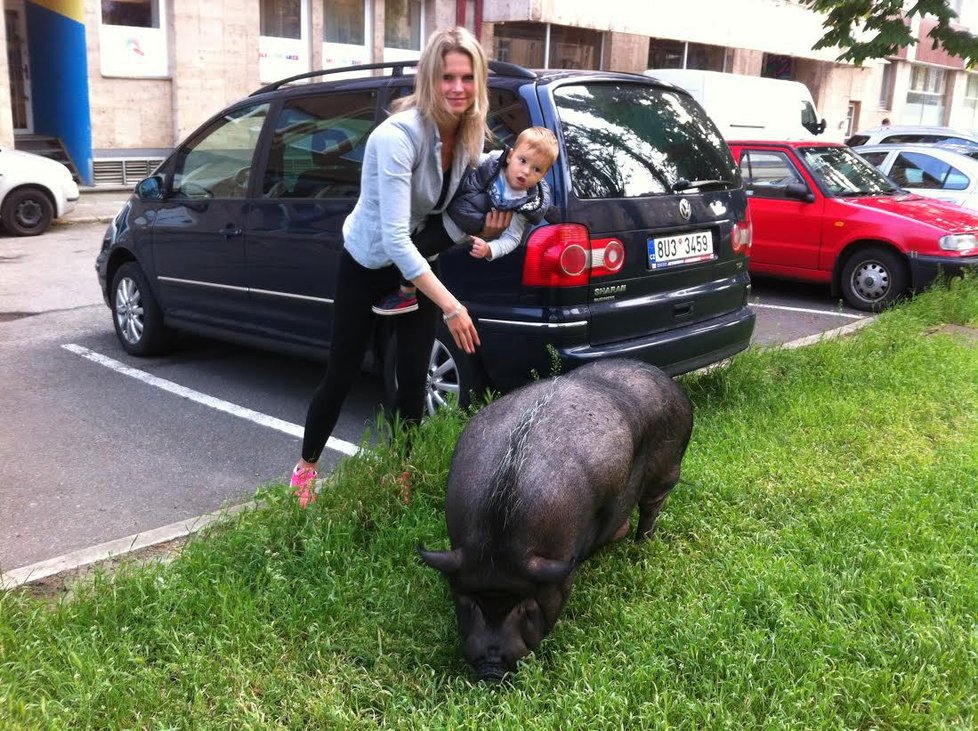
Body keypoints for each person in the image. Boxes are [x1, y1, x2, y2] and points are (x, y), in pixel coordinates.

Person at [289, 27, 511, 507]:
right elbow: (392, 238)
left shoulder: (470, 138)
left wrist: (490, 234)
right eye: (447, 76)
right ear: (429, 78)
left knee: (412, 376)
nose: (457, 88)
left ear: (479, 83)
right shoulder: (396, 137)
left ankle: (402, 473)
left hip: (416, 261)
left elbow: (449, 213)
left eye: (467, 77)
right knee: (342, 373)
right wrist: (452, 306)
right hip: (369, 263)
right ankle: (305, 471)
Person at [372, 126, 560, 315]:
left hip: (453, 228)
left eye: (536, 169)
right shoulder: (494, 161)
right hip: (446, 204)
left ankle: (407, 295)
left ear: (543, 175)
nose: (526, 171)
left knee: (415, 250)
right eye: (523, 160)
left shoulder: (522, 205)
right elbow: (468, 160)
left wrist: (490, 249)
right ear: (510, 155)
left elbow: (513, 238)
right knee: (418, 245)